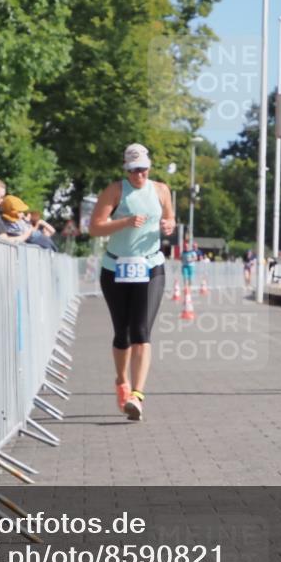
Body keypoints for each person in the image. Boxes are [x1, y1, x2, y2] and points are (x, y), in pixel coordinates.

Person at [89, 143, 175, 421]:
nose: (139, 175)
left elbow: (170, 217)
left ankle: (137, 395)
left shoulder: (161, 190)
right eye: (134, 170)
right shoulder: (115, 191)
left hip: (150, 266)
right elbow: (94, 228)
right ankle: (120, 380)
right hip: (116, 267)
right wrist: (124, 222)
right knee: (122, 334)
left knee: (141, 331)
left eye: (144, 170)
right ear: (126, 170)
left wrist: (169, 225)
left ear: (150, 168)